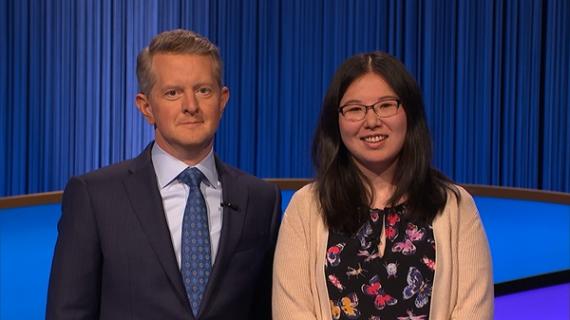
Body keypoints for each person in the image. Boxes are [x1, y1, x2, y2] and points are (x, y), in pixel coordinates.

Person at [47, 29, 281, 320]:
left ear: (222, 100)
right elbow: (68, 313)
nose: (191, 106)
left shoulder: (260, 199)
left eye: (203, 90)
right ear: (146, 107)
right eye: (173, 93)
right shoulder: (95, 196)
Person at [272, 52, 493, 319]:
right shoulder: (306, 208)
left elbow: (473, 310)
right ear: (336, 122)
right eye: (355, 109)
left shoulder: (454, 207)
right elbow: (292, 311)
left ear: (409, 113)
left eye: (386, 105)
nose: (372, 121)